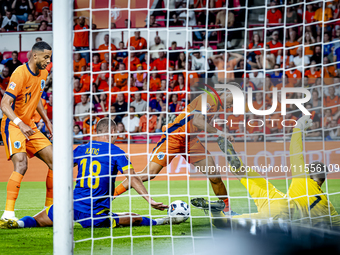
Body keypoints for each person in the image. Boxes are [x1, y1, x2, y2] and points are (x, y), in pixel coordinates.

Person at [0, 118, 172, 230]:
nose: (117, 137)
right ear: (111, 132)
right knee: (134, 218)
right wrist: (149, 200)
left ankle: (17, 222)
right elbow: (132, 178)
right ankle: (162, 221)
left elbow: (60, 167)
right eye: (116, 134)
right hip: (96, 214)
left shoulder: (81, 149)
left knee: (37, 220)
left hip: (71, 206)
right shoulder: (116, 151)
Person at [191, 116, 340, 230]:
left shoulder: (303, 179)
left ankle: (238, 169)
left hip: (282, 205)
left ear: (308, 172)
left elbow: (295, 152)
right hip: (291, 222)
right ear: (322, 180)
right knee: (227, 225)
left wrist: (299, 127)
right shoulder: (328, 206)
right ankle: (218, 213)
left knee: (261, 185)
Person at [114, 83, 242, 215]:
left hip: (191, 141)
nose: (232, 105)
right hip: (174, 138)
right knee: (149, 174)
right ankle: (112, 194)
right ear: (227, 92)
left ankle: (227, 211)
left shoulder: (216, 105)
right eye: (233, 100)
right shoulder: (209, 98)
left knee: (214, 175)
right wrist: (221, 133)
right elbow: (198, 121)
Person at [0, 42, 53, 221]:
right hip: (13, 124)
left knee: (56, 163)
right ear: (34, 55)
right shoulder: (20, 73)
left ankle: (50, 210)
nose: (48, 61)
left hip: (30, 125)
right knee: (21, 164)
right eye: (46, 57)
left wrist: (47, 121)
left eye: (50, 57)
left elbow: (36, 96)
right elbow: (4, 104)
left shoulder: (44, 73)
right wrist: (20, 124)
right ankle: (8, 215)